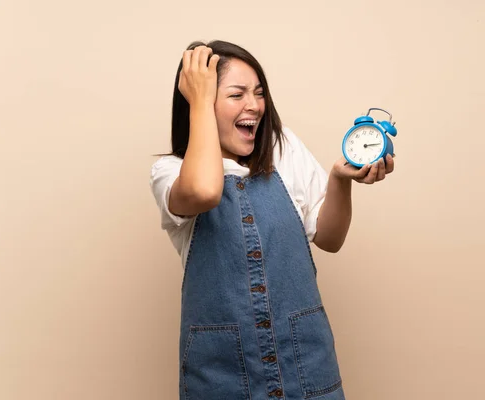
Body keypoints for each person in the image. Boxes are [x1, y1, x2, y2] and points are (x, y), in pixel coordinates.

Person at [149, 40, 395, 400]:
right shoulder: (170, 173)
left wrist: (340, 180)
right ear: (200, 102)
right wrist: (198, 100)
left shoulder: (284, 150)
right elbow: (204, 192)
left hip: (307, 367)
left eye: (259, 93)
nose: (254, 105)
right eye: (236, 95)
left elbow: (330, 238)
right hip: (223, 378)